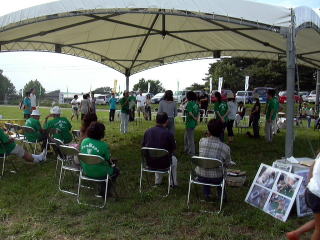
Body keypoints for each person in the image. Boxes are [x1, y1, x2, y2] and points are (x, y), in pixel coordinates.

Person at [195, 119, 232, 201]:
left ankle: (207, 194)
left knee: (206, 164)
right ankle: (222, 196)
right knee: (222, 170)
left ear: (208, 130)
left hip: (200, 176)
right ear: (222, 131)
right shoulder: (225, 148)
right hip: (216, 178)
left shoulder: (201, 141)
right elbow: (227, 164)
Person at [80, 121, 119, 197]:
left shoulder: (84, 141)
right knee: (116, 170)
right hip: (100, 173)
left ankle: (103, 187)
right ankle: (105, 191)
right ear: (101, 133)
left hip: (85, 170)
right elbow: (109, 160)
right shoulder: (104, 145)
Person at [286, 153, 320, 240]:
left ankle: (295, 233)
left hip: (311, 191)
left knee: (318, 221)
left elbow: (312, 169)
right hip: (317, 196)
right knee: (319, 229)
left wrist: (310, 184)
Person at [142, 112, 178, 187]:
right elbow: (173, 149)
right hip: (164, 163)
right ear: (166, 121)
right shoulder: (169, 134)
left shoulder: (147, 132)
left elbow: (143, 147)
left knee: (156, 154)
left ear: (156, 120)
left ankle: (158, 182)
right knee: (174, 159)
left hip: (149, 163)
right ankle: (173, 183)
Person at [184, 91, 200, 156]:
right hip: (193, 123)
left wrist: (194, 118)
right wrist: (196, 119)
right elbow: (198, 112)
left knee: (190, 138)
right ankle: (186, 149)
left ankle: (192, 152)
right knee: (186, 136)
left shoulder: (189, 103)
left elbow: (190, 113)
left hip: (190, 122)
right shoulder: (196, 103)